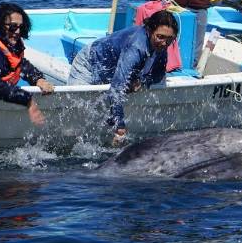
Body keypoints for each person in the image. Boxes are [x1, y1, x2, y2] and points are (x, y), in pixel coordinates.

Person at [67, 10, 179, 146]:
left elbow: (158, 74)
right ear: (149, 31)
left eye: (170, 39)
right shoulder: (136, 47)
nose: (164, 43)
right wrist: (120, 126)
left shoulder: (161, 46)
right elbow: (116, 89)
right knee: (79, 109)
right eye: (160, 37)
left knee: (110, 106)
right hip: (88, 63)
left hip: (112, 68)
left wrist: (142, 81)